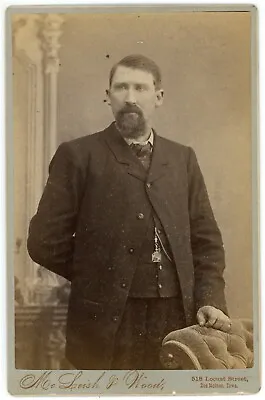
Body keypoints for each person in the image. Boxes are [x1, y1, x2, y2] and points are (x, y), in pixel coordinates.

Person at [27, 54, 231, 370]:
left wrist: (210, 299)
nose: (131, 98)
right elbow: (44, 241)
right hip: (106, 321)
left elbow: (207, 242)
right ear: (108, 96)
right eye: (121, 88)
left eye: (140, 88)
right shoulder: (78, 155)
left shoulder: (182, 159)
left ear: (158, 97)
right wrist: (99, 273)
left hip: (177, 317)